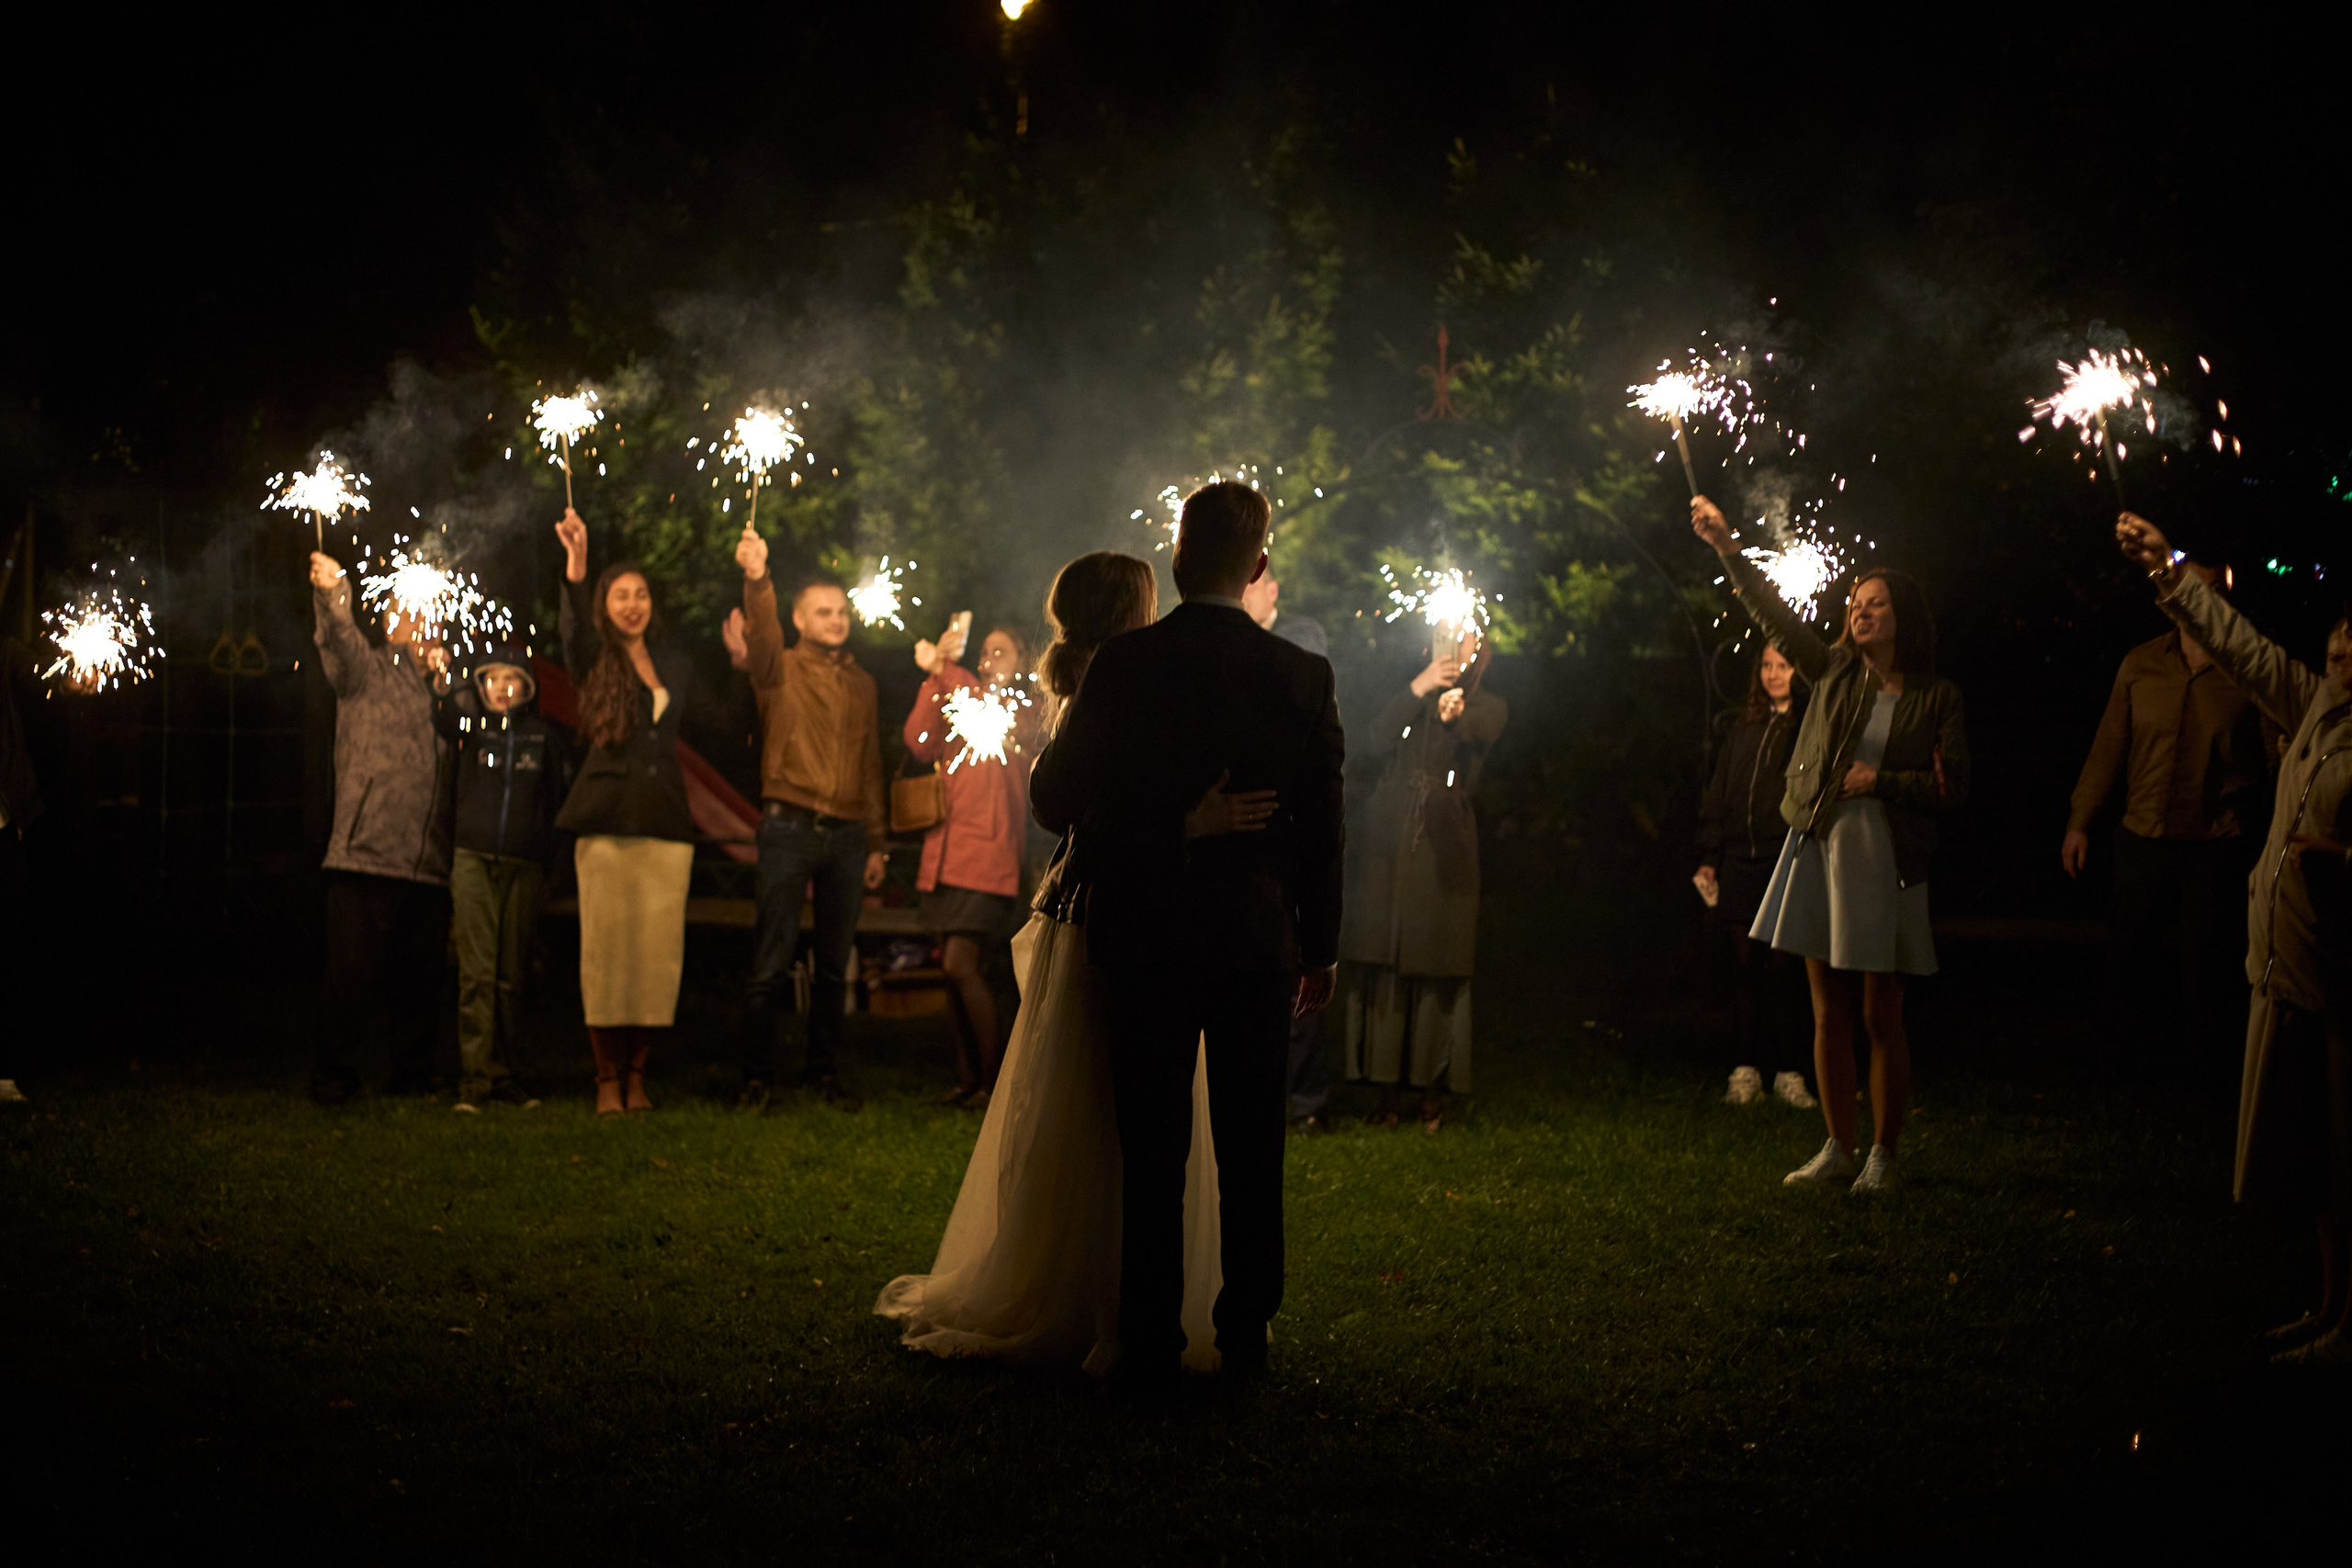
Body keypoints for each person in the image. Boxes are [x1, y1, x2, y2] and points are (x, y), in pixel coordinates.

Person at [878, 549, 1259, 1371]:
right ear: (1129, 607)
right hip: (1117, 898)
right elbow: (1065, 792)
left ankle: (1111, 1285)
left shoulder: (1116, 673)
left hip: (1121, 896)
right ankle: (1091, 1286)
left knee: (1100, 1094)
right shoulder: (1119, 677)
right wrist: (1182, 816)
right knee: (1099, 1091)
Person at [1028, 481, 1345, 1384]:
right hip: (1252, 940)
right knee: (1253, 1145)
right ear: (1257, 566)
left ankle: (1148, 1338)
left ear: (1177, 557)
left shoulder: (1124, 666)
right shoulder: (1299, 675)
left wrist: (1158, 818)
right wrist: (1318, 946)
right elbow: (1324, 828)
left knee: (1151, 1142)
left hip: (1145, 932)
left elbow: (1054, 799)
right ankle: (1245, 1333)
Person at [2115, 512, 2352, 1365]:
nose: (2341, 656)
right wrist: (2170, 575)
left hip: (2343, 971)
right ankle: (2331, 1309)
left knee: (2347, 1148)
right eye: (2336, 645)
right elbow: (2246, 651)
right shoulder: (2316, 709)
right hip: (2294, 963)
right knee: (2318, 1156)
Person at [1691, 496, 1970, 1193]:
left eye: (1875, 603)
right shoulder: (1833, 670)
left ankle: (1883, 1152)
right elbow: (1771, 614)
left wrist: (1885, 780)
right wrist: (1729, 547)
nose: (1859, 611)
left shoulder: (1938, 697)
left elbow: (1952, 789)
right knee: (1827, 1009)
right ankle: (1838, 1146)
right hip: (1822, 844)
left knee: (1881, 1009)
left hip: (1886, 856)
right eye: (1854, 601)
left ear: (1902, 615)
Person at [2062, 567, 2265, 1082]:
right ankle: (2113, 1064)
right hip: (2144, 834)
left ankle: (2206, 1074)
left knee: (2207, 965)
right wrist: (2080, 821)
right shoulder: (2142, 663)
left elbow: (2277, 751)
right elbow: (2110, 746)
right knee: (2127, 954)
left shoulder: (2248, 669)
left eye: (2206, 591)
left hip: (2216, 839)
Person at [553, 508, 723, 1116]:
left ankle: (636, 1076)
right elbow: (571, 628)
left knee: (655, 957)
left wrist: (747, 659)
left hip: (664, 826)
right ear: (605, 604)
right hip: (603, 824)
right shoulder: (593, 656)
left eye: (641, 594)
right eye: (620, 595)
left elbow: (724, 720)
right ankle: (604, 1079)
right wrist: (577, 565)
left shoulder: (674, 665)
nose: (632, 604)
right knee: (605, 953)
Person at [731, 525, 888, 1114]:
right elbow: (760, 630)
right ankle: (756, 1077)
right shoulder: (778, 670)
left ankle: (822, 1074)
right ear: (800, 620)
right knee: (771, 962)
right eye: (823, 612)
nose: (837, 619)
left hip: (847, 837)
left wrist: (876, 843)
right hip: (789, 827)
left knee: (832, 967)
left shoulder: (863, 685)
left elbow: (871, 764)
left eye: (842, 611)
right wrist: (758, 579)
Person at [1338, 622, 1509, 1133]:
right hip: (1390, 842)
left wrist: (1453, 715)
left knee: (1434, 959)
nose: (1456, 644)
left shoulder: (1488, 703)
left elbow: (1479, 731)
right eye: (1445, 635)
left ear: (1481, 647)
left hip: (1443, 844)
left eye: (1466, 637)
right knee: (1387, 960)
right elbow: (1374, 739)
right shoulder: (1410, 689)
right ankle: (1386, 1094)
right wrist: (1419, 688)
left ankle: (1430, 1095)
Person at [307, 549, 455, 1105]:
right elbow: (339, 641)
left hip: (430, 862)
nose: (417, 623)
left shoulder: (451, 688)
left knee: (420, 983)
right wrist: (332, 595)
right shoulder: (366, 671)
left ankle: (413, 1076)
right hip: (364, 853)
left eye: (427, 613)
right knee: (350, 978)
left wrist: (448, 688)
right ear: (389, 620)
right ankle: (334, 1077)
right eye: (406, 611)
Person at [903, 618, 1041, 1108]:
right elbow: (918, 742)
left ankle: (992, 1083)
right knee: (952, 970)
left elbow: (986, 714)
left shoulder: (1016, 713)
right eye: (984, 652)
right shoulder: (960, 699)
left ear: (1022, 663)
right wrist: (933, 680)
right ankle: (969, 1081)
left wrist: (945, 668)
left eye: (1000, 653)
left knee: (963, 964)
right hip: (943, 856)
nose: (988, 661)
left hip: (986, 858)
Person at [433, 640, 569, 1112]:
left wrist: (551, 864)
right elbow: (444, 718)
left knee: (511, 974)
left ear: (528, 688)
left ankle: (507, 1074)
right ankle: (474, 1079)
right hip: (472, 859)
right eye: (493, 680)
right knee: (477, 974)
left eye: (513, 680)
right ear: (481, 686)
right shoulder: (468, 730)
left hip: (524, 866)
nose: (503, 689)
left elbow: (556, 803)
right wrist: (446, 681)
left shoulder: (544, 737)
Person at [1698, 645, 1817, 1110]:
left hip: (1783, 858)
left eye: (1784, 665)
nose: (1773, 674)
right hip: (1738, 862)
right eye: (1766, 665)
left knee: (1785, 968)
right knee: (1743, 966)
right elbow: (1718, 793)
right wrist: (1711, 854)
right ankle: (1744, 1070)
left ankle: (1789, 1072)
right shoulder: (1743, 728)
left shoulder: (1807, 728)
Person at [1245, 566, 1339, 1134]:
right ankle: (1273, 1098)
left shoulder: (1301, 640)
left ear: (1273, 589)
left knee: (1298, 973)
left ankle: (1308, 1103)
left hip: (1291, 825)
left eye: (1255, 584)